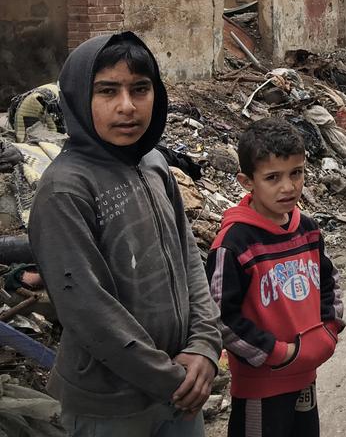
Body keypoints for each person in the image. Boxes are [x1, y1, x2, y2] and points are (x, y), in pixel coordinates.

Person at [29, 32, 221, 436]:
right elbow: (88, 310)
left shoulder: (153, 164)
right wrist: (172, 379)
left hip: (181, 387)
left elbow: (189, 260)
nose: (127, 107)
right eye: (107, 91)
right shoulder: (65, 189)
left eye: (140, 89)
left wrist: (204, 344)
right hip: (111, 407)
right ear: (79, 98)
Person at [207, 118, 344, 437]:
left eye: (296, 173)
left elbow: (329, 282)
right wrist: (277, 353)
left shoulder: (307, 230)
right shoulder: (234, 244)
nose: (289, 187)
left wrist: (329, 329)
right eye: (273, 177)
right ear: (246, 181)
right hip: (261, 386)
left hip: (305, 375)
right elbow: (221, 316)